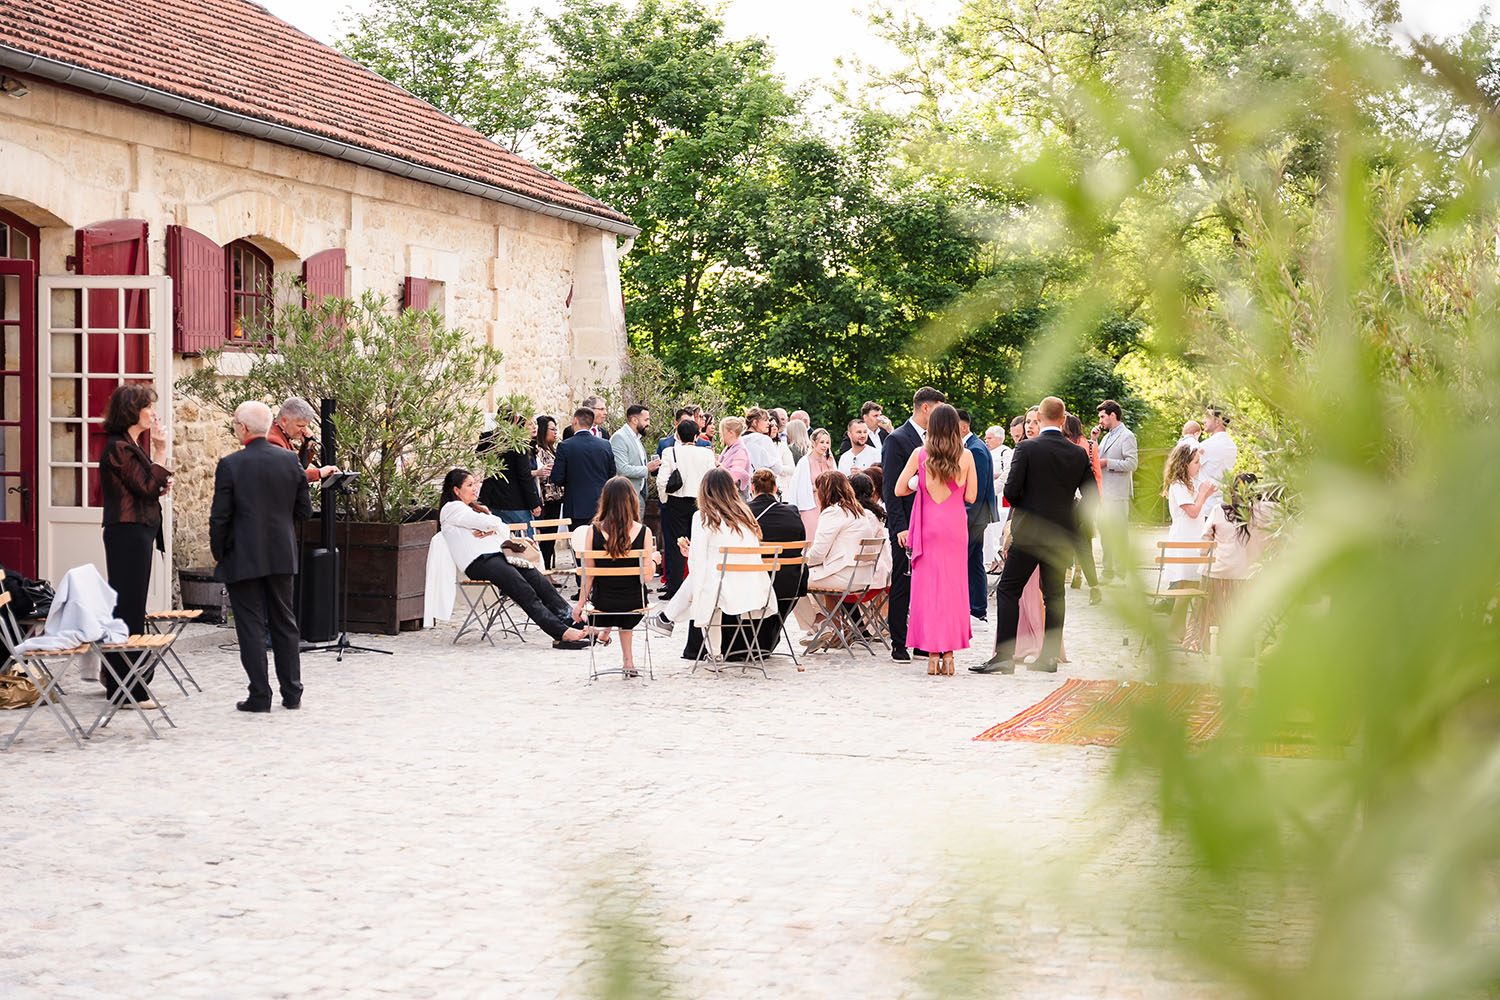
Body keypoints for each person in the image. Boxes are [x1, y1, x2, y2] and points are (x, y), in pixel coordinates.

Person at [975, 397, 1099, 675]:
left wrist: (1028, 502)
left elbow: (1010, 493)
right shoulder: (1078, 453)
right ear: (1063, 418)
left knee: (1008, 589)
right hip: (1060, 534)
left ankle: (1004, 656)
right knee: (1054, 595)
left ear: (1041, 418)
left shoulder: (1027, 448)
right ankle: (1049, 658)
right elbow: (1092, 497)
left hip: (1029, 531)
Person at [210, 401, 314, 711]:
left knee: (251, 625)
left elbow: (220, 518)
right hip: (281, 552)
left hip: (243, 553)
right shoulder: (289, 462)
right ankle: (292, 692)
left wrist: (220, 552)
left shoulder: (230, 465)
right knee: (285, 621)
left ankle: (260, 694)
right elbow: (304, 511)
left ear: (242, 428)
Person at [439, 469, 597, 649]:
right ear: (456, 490)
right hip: (479, 561)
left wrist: (492, 527)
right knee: (524, 591)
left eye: (475, 483)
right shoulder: (452, 509)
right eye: (469, 485)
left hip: (498, 556)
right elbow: (493, 523)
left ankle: (574, 621)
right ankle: (561, 633)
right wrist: (492, 526)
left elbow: (503, 527)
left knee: (540, 582)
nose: (475, 488)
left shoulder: (473, 509)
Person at [647, 469, 774, 658]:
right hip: (754, 586)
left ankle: (668, 618)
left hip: (724, 588)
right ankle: (711, 651)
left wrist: (689, 555)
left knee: (703, 582)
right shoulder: (745, 515)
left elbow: (698, 561)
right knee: (709, 581)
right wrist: (692, 554)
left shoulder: (703, 517)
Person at [99, 384, 172, 709]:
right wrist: (160, 451)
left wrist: (159, 481)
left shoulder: (129, 445)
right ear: (132, 410)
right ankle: (126, 689)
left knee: (131, 608)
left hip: (138, 532)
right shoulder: (119, 448)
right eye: (148, 407)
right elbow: (144, 487)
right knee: (127, 609)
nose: (153, 413)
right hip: (127, 533)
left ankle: (121, 681)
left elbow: (147, 487)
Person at [895, 403, 977, 676]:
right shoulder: (966, 456)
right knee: (953, 591)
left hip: (928, 529)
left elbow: (898, 488)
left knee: (928, 592)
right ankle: (950, 656)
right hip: (954, 529)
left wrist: (919, 482)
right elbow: (971, 497)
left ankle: (931, 656)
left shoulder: (920, 454)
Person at [881, 386, 946, 663]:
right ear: (926, 408)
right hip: (908, 524)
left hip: (933, 522)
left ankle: (922, 640)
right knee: (903, 583)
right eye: (940, 409)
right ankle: (898, 642)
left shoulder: (938, 441)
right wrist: (900, 527)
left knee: (927, 585)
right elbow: (890, 488)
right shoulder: (898, 439)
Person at [574, 476, 656, 678]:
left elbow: (589, 575)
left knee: (615, 602)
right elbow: (646, 577)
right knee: (626, 604)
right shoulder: (644, 532)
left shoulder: (593, 531)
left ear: (606, 500)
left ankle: (619, 651)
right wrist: (654, 560)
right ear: (632, 500)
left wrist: (580, 604)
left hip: (603, 605)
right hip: (635, 604)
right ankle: (628, 661)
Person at [801, 471, 890, 652]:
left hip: (844, 576)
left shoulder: (833, 513)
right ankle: (835, 628)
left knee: (793, 578)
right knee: (816, 577)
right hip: (863, 576)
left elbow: (818, 553)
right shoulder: (858, 512)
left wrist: (801, 562)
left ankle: (821, 623)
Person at [1185, 473, 1275, 652]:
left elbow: (1204, 546)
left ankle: (1207, 645)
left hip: (1217, 576)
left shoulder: (1220, 511)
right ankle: (1241, 648)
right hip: (1248, 578)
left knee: (1209, 586)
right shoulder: (1266, 511)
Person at [746, 469, 808, 662]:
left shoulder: (744, 513)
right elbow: (801, 540)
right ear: (775, 488)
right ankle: (768, 639)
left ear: (752, 488)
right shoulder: (792, 512)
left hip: (755, 582)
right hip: (790, 583)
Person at [656, 418, 717, 598]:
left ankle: (675, 588)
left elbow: (661, 481)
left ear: (677, 435)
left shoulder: (670, 452)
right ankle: (700, 587)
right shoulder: (706, 454)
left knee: (675, 546)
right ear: (697, 436)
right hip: (700, 503)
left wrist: (665, 500)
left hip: (675, 502)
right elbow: (711, 480)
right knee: (700, 544)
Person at [1160, 441, 1217, 632]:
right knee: (1184, 587)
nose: (1199, 465)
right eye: (1195, 462)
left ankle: (1183, 632)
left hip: (1193, 537)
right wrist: (1203, 494)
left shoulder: (1190, 483)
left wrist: (1206, 493)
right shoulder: (1177, 485)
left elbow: (1198, 507)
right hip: (1184, 538)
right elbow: (1192, 511)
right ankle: (1176, 632)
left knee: (1191, 585)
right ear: (1184, 463)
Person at [957, 409, 998, 621]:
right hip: (976, 516)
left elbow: (979, 489)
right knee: (974, 562)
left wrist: (964, 515)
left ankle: (974, 608)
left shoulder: (976, 450)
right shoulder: (973, 447)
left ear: (964, 427)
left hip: (974, 516)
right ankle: (977, 608)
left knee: (966, 561)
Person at [1092, 399, 1138, 584]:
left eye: (1103, 416)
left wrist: (1107, 463)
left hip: (1117, 494)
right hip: (1104, 494)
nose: (1100, 420)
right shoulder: (1106, 436)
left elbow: (1132, 463)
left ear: (1113, 415)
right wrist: (1094, 440)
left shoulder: (1127, 436)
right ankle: (1108, 571)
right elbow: (1094, 457)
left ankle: (1122, 573)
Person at [550, 407, 616, 527]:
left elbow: (557, 478)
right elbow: (612, 474)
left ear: (575, 420)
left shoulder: (565, 446)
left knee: (578, 542)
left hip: (576, 505)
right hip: (601, 504)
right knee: (600, 542)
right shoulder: (605, 445)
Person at [1063, 413, 1103, 605]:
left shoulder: (1062, 446)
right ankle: (1091, 584)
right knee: (1083, 545)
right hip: (1084, 501)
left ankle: (1074, 575)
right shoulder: (1089, 445)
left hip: (1069, 502)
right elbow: (1097, 475)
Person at [479, 409, 542, 526]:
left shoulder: (487, 437)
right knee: (524, 540)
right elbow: (524, 475)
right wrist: (534, 503)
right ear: (517, 419)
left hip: (491, 498)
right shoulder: (517, 442)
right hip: (515, 501)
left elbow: (479, 456)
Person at [269, 397, 338, 483]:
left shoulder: (282, 434)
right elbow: (287, 476)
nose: (304, 430)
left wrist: (307, 444)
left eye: (306, 426)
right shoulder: (273, 440)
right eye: (300, 426)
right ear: (284, 421)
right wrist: (319, 473)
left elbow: (298, 468)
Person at [610, 404, 661, 506]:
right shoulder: (619, 437)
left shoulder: (637, 438)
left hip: (639, 495)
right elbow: (622, 469)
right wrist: (647, 469)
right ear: (634, 420)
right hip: (625, 497)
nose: (649, 424)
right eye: (646, 420)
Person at [789, 427, 835, 537]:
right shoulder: (805, 462)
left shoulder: (829, 460)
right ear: (814, 443)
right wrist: (817, 488)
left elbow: (837, 482)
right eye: (822, 442)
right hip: (810, 505)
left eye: (827, 442)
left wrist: (831, 466)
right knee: (812, 535)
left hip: (827, 503)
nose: (825, 446)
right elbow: (799, 487)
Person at [532, 415, 565, 567]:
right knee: (545, 535)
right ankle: (544, 568)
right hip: (546, 498)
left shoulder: (552, 449)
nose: (555, 432)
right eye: (552, 429)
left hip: (556, 498)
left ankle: (548, 567)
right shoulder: (538, 450)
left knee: (551, 535)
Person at [1198, 406, 1238, 501]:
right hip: (1223, 501)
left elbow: (1188, 469)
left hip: (1205, 502)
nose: (1203, 421)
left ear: (1218, 421)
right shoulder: (1232, 446)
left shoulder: (1206, 445)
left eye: (1207, 417)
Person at [739, 407, 784, 475]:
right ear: (755, 422)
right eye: (765, 420)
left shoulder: (739, 440)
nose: (769, 423)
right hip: (762, 482)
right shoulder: (764, 440)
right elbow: (778, 468)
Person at [716, 416, 753, 497]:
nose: (720, 434)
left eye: (722, 431)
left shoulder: (740, 450)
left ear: (730, 433)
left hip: (736, 497)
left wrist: (718, 465)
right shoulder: (729, 448)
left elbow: (735, 475)